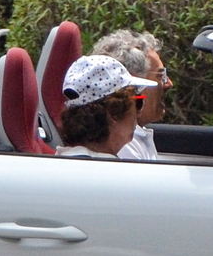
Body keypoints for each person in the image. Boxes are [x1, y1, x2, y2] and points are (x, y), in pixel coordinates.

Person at [90, 29, 169, 160]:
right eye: (161, 76)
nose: (168, 84)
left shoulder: (133, 137)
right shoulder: (121, 142)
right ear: (132, 84)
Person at [56, 55, 155, 156]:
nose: (139, 113)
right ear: (114, 111)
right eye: (138, 103)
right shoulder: (105, 169)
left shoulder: (65, 160)